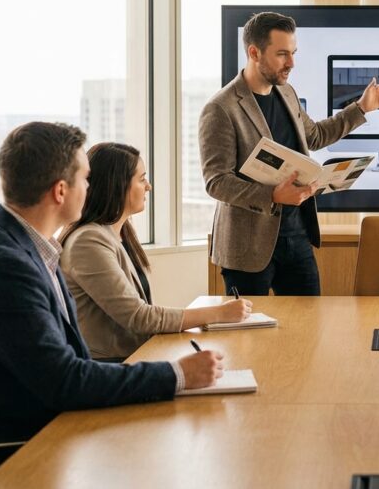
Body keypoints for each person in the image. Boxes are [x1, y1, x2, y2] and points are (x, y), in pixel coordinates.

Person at [0, 123, 224, 483]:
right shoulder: (3, 267)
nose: (91, 187)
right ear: (60, 191)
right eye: (86, 179)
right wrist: (178, 374)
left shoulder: (26, 247)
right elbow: (64, 382)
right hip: (22, 448)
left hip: (52, 424)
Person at [199, 11, 379, 296]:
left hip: (296, 236)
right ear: (254, 52)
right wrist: (272, 196)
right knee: (248, 339)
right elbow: (216, 181)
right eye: (282, 54)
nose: (291, 63)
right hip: (248, 248)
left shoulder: (287, 92)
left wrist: (362, 108)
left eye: (293, 53)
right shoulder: (221, 108)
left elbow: (315, 136)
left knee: (309, 331)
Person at [60, 142, 252, 361]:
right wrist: (218, 313)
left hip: (137, 354)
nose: (149, 186)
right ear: (117, 185)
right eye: (141, 179)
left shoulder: (119, 233)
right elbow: (139, 316)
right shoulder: (88, 241)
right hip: (111, 366)